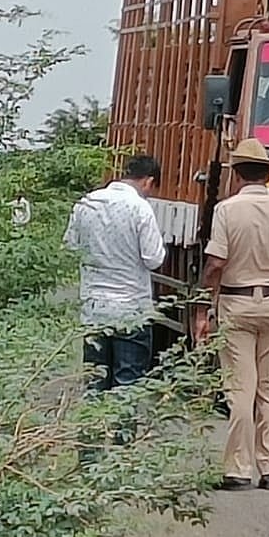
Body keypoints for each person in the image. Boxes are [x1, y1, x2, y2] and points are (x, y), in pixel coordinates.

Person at [196, 138, 269, 492]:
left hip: (236, 302)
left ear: (237, 175)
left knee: (240, 389)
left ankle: (238, 470)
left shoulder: (227, 211)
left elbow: (215, 264)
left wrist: (202, 308)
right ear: (268, 177)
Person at [64, 155, 165, 394]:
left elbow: (70, 248)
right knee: (126, 385)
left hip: (93, 309)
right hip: (131, 311)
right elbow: (154, 259)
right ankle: (119, 432)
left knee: (95, 381)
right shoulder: (140, 208)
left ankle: (91, 431)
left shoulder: (86, 203)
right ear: (148, 182)